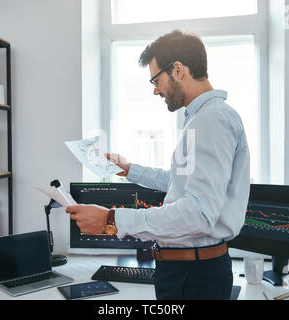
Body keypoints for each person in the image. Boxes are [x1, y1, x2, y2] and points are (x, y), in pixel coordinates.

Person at [66, 30, 250, 300]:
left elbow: (198, 213)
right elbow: (181, 183)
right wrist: (130, 170)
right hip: (188, 269)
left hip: (193, 275)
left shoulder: (211, 120)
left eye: (155, 79)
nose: (155, 90)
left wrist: (111, 219)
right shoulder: (203, 118)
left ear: (177, 69)